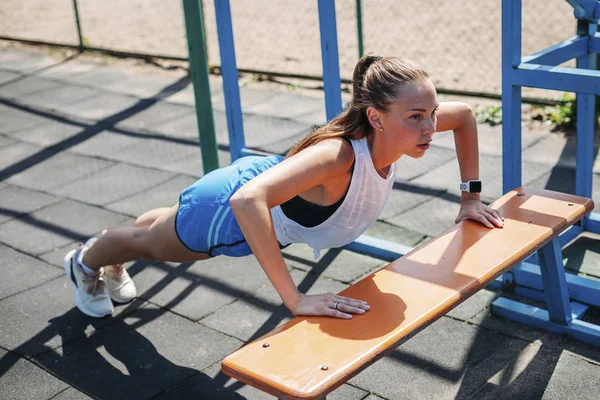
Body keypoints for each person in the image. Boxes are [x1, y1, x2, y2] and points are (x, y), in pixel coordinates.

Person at [64, 55, 504, 319]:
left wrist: (470, 198)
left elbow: (464, 116)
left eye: (431, 112)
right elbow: (246, 199)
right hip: (227, 210)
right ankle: (85, 262)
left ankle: (136, 243)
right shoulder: (340, 157)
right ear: (376, 117)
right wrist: (295, 299)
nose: (430, 126)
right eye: (416, 116)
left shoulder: (407, 124)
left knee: (162, 229)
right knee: (154, 245)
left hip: (258, 191)